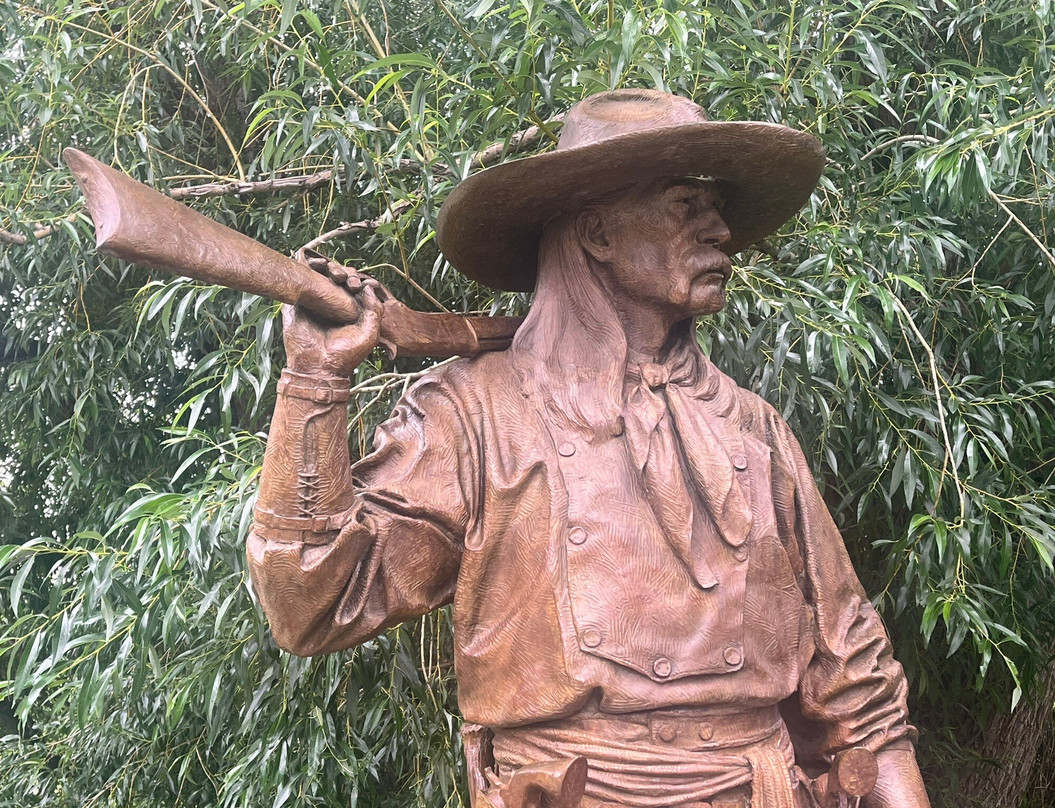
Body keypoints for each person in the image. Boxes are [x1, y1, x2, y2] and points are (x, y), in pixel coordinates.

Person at [247, 89, 932, 808]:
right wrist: (315, 380)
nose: (722, 229)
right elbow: (312, 602)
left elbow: (857, 684)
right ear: (598, 231)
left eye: (717, 207)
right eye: (686, 204)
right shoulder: (477, 415)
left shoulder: (753, 429)